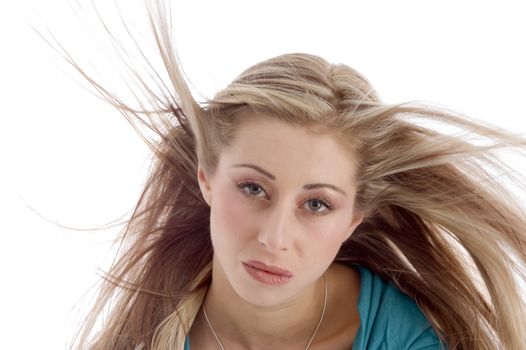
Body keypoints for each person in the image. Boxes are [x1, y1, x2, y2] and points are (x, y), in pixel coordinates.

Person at [49, 1, 526, 349]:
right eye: (253, 188)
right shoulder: (145, 338)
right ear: (206, 179)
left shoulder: (400, 338)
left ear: (355, 218)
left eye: (316, 204)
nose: (275, 238)